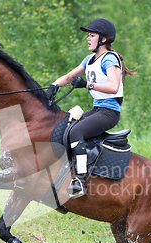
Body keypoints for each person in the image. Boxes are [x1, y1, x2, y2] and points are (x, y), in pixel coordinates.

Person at [47, 18, 135, 199]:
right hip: (97, 109)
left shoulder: (110, 59)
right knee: (66, 127)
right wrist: (53, 86)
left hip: (109, 112)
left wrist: (87, 84)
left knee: (76, 132)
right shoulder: (89, 59)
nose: (88, 39)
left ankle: (79, 182)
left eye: (92, 35)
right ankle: (65, 172)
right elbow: (69, 76)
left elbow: (113, 86)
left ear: (103, 39)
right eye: (88, 35)